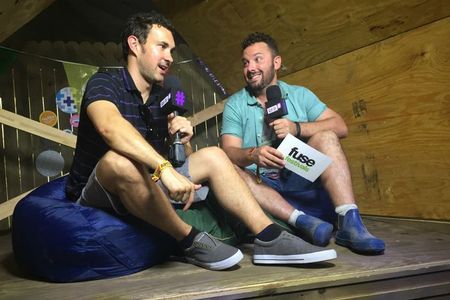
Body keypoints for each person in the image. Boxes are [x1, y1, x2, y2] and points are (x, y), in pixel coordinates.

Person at [65, 12, 338, 271]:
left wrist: (182, 139)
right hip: (100, 188)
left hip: (150, 181)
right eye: (162, 47)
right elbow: (110, 128)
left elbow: (180, 159)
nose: (169, 57)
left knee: (215, 155)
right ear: (135, 45)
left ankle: (269, 237)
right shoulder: (104, 82)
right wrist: (165, 170)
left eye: (172, 50)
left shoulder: (165, 95)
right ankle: (188, 240)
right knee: (119, 161)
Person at [220, 32, 385, 254]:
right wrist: (252, 154)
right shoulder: (235, 104)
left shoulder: (300, 95)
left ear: (276, 62)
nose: (251, 68)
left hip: (299, 173)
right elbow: (228, 150)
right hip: (261, 185)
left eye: (258, 59)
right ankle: (301, 221)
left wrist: (296, 128)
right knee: (226, 167)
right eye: (246, 62)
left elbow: (340, 126)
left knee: (326, 135)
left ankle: (349, 222)